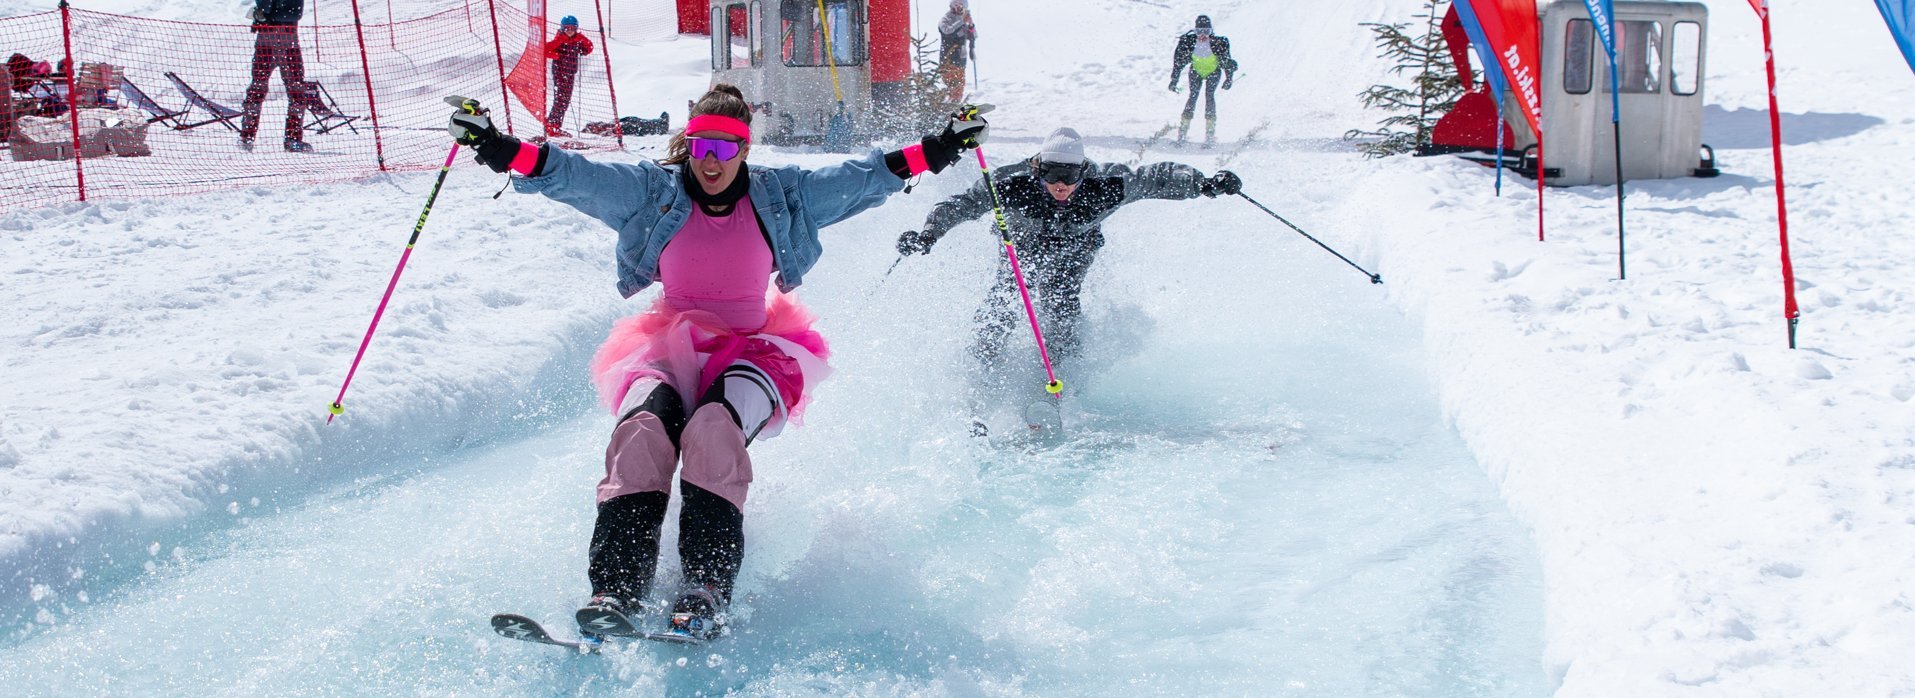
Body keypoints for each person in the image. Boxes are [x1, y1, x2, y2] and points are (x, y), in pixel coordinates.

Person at [446, 85, 988, 641]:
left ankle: (705, 587)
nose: (710, 162)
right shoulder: (651, 192)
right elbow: (575, 175)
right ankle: (616, 588)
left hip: (755, 348)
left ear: (745, 150)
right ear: (688, 144)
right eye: (701, 146)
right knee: (642, 434)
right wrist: (495, 145)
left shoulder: (782, 195)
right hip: (667, 342)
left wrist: (942, 146)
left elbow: (865, 176)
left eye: (725, 150)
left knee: (711, 428)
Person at [894, 127, 1240, 426]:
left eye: (1070, 176)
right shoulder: (1012, 184)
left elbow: (1156, 176)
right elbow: (962, 204)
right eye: (1052, 173)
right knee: (1003, 302)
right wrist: (929, 234)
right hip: (1023, 247)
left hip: (1076, 249)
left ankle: (1057, 378)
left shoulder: (1106, 184)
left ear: (1083, 171)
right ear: (1038, 168)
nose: (1060, 184)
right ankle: (979, 373)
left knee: (1062, 306)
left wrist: (1204, 183)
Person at [240, 0, 315, 152]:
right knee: (260, 90)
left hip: (280, 43)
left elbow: (291, 13)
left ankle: (290, 139)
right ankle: (248, 137)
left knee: (293, 92)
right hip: (275, 43)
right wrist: (262, 13)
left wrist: (265, 14)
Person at [1167, 15, 1237, 147]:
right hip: (1196, 71)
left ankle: (1210, 135)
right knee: (1192, 97)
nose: (1203, 35)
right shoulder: (1188, 42)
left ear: (1211, 31)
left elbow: (1226, 61)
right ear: (1195, 31)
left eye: (1207, 32)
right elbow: (1178, 63)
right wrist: (1174, 81)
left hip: (1213, 71)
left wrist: (1229, 78)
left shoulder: (1219, 43)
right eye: (1199, 32)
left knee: (1209, 97)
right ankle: (1182, 133)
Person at [544, 15, 594, 138]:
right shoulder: (559, 40)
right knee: (560, 100)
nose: (570, 31)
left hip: (570, 74)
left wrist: (580, 37)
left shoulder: (577, 40)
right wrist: (557, 55)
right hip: (560, 74)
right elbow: (545, 50)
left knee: (564, 101)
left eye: (572, 28)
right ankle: (552, 126)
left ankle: (554, 125)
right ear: (562, 29)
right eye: (567, 28)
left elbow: (589, 47)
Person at [937, 0, 977, 104]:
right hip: (948, 58)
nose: (959, 7)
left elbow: (973, 35)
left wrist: (971, 26)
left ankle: (955, 107)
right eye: (956, 4)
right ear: (951, 5)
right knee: (950, 85)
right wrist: (961, 21)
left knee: (959, 86)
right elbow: (947, 31)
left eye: (961, 4)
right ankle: (947, 108)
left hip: (961, 58)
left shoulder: (964, 19)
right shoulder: (946, 18)